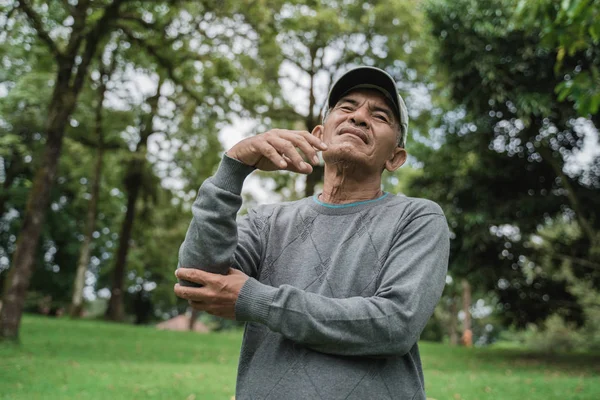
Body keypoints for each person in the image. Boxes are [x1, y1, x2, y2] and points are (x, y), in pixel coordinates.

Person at [174, 66, 450, 399]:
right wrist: (232, 169)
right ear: (320, 133)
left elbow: (395, 324)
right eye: (346, 108)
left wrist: (256, 300)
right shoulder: (267, 220)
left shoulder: (417, 218)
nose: (359, 117)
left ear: (396, 157)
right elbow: (196, 280)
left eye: (380, 116)